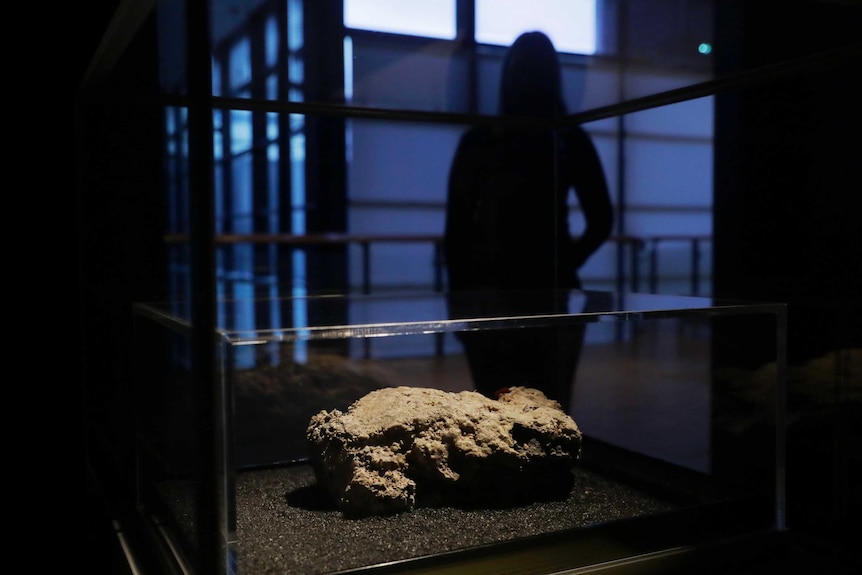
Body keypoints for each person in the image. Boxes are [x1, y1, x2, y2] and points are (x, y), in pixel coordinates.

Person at [443, 31, 613, 411]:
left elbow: (456, 232)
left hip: (492, 289)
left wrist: (459, 297)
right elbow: (602, 219)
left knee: (494, 414)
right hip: (546, 288)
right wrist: (564, 260)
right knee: (546, 411)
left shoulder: (483, 139)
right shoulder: (567, 138)